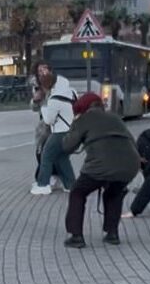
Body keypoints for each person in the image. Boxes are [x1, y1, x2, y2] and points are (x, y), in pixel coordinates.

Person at [60, 93, 141, 248]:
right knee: (114, 193)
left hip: (100, 166)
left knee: (78, 192)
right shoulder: (115, 118)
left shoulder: (83, 120)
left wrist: (73, 126)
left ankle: (76, 236)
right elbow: (131, 140)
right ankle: (112, 234)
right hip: (129, 164)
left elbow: (67, 146)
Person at [30, 60, 77, 195]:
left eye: (45, 70)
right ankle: (70, 183)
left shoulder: (57, 93)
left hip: (57, 128)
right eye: (40, 71)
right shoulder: (40, 87)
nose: (42, 73)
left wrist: (45, 106)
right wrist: (36, 100)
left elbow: (50, 118)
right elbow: (34, 107)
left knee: (47, 155)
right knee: (60, 157)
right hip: (56, 127)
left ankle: (43, 183)